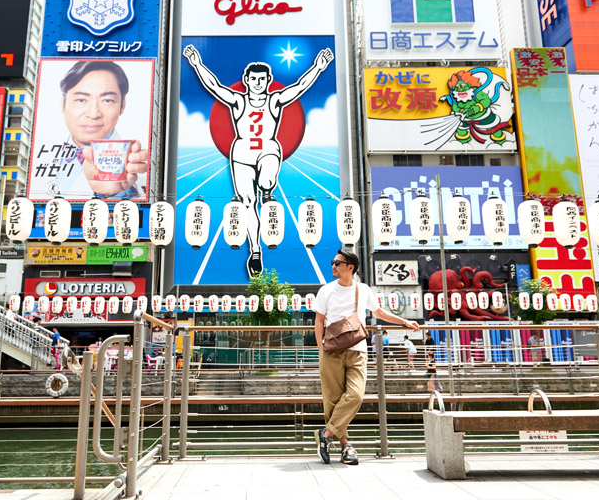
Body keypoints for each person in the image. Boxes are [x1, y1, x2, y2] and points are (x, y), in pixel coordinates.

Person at [183, 44, 333, 277]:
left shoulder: (274, 101)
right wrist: (196, 64)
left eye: (262, 79)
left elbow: (300, 87)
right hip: (242, 153)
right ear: (247, 80)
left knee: (266, 180)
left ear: (268, 80)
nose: (257, 83)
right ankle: (255, 250)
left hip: (268, 149)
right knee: (247, 203)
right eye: (253, 79)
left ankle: (267, 189)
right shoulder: (237, 101)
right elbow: (213, 86)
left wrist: (318, 67)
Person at [313, 249, 420, 465]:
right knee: (333, 401)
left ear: (350, 267)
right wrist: (320, 349)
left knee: (355, 396)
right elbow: (319, 320)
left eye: (337, 263)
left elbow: (378, 312)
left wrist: (403, 321)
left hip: (358, 350)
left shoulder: (363, 289)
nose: (333, 266)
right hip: (331, 351)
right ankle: (345, 447)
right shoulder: (326, 290)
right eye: (333, 262)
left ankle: (326, 435)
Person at [54, 60, 148, 199]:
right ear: (63, 103)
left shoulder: (136, 167)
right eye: (81, 100)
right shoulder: (39, 155)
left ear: (122, 106)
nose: (93, 114)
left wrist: (113, 194)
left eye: (107, 100)